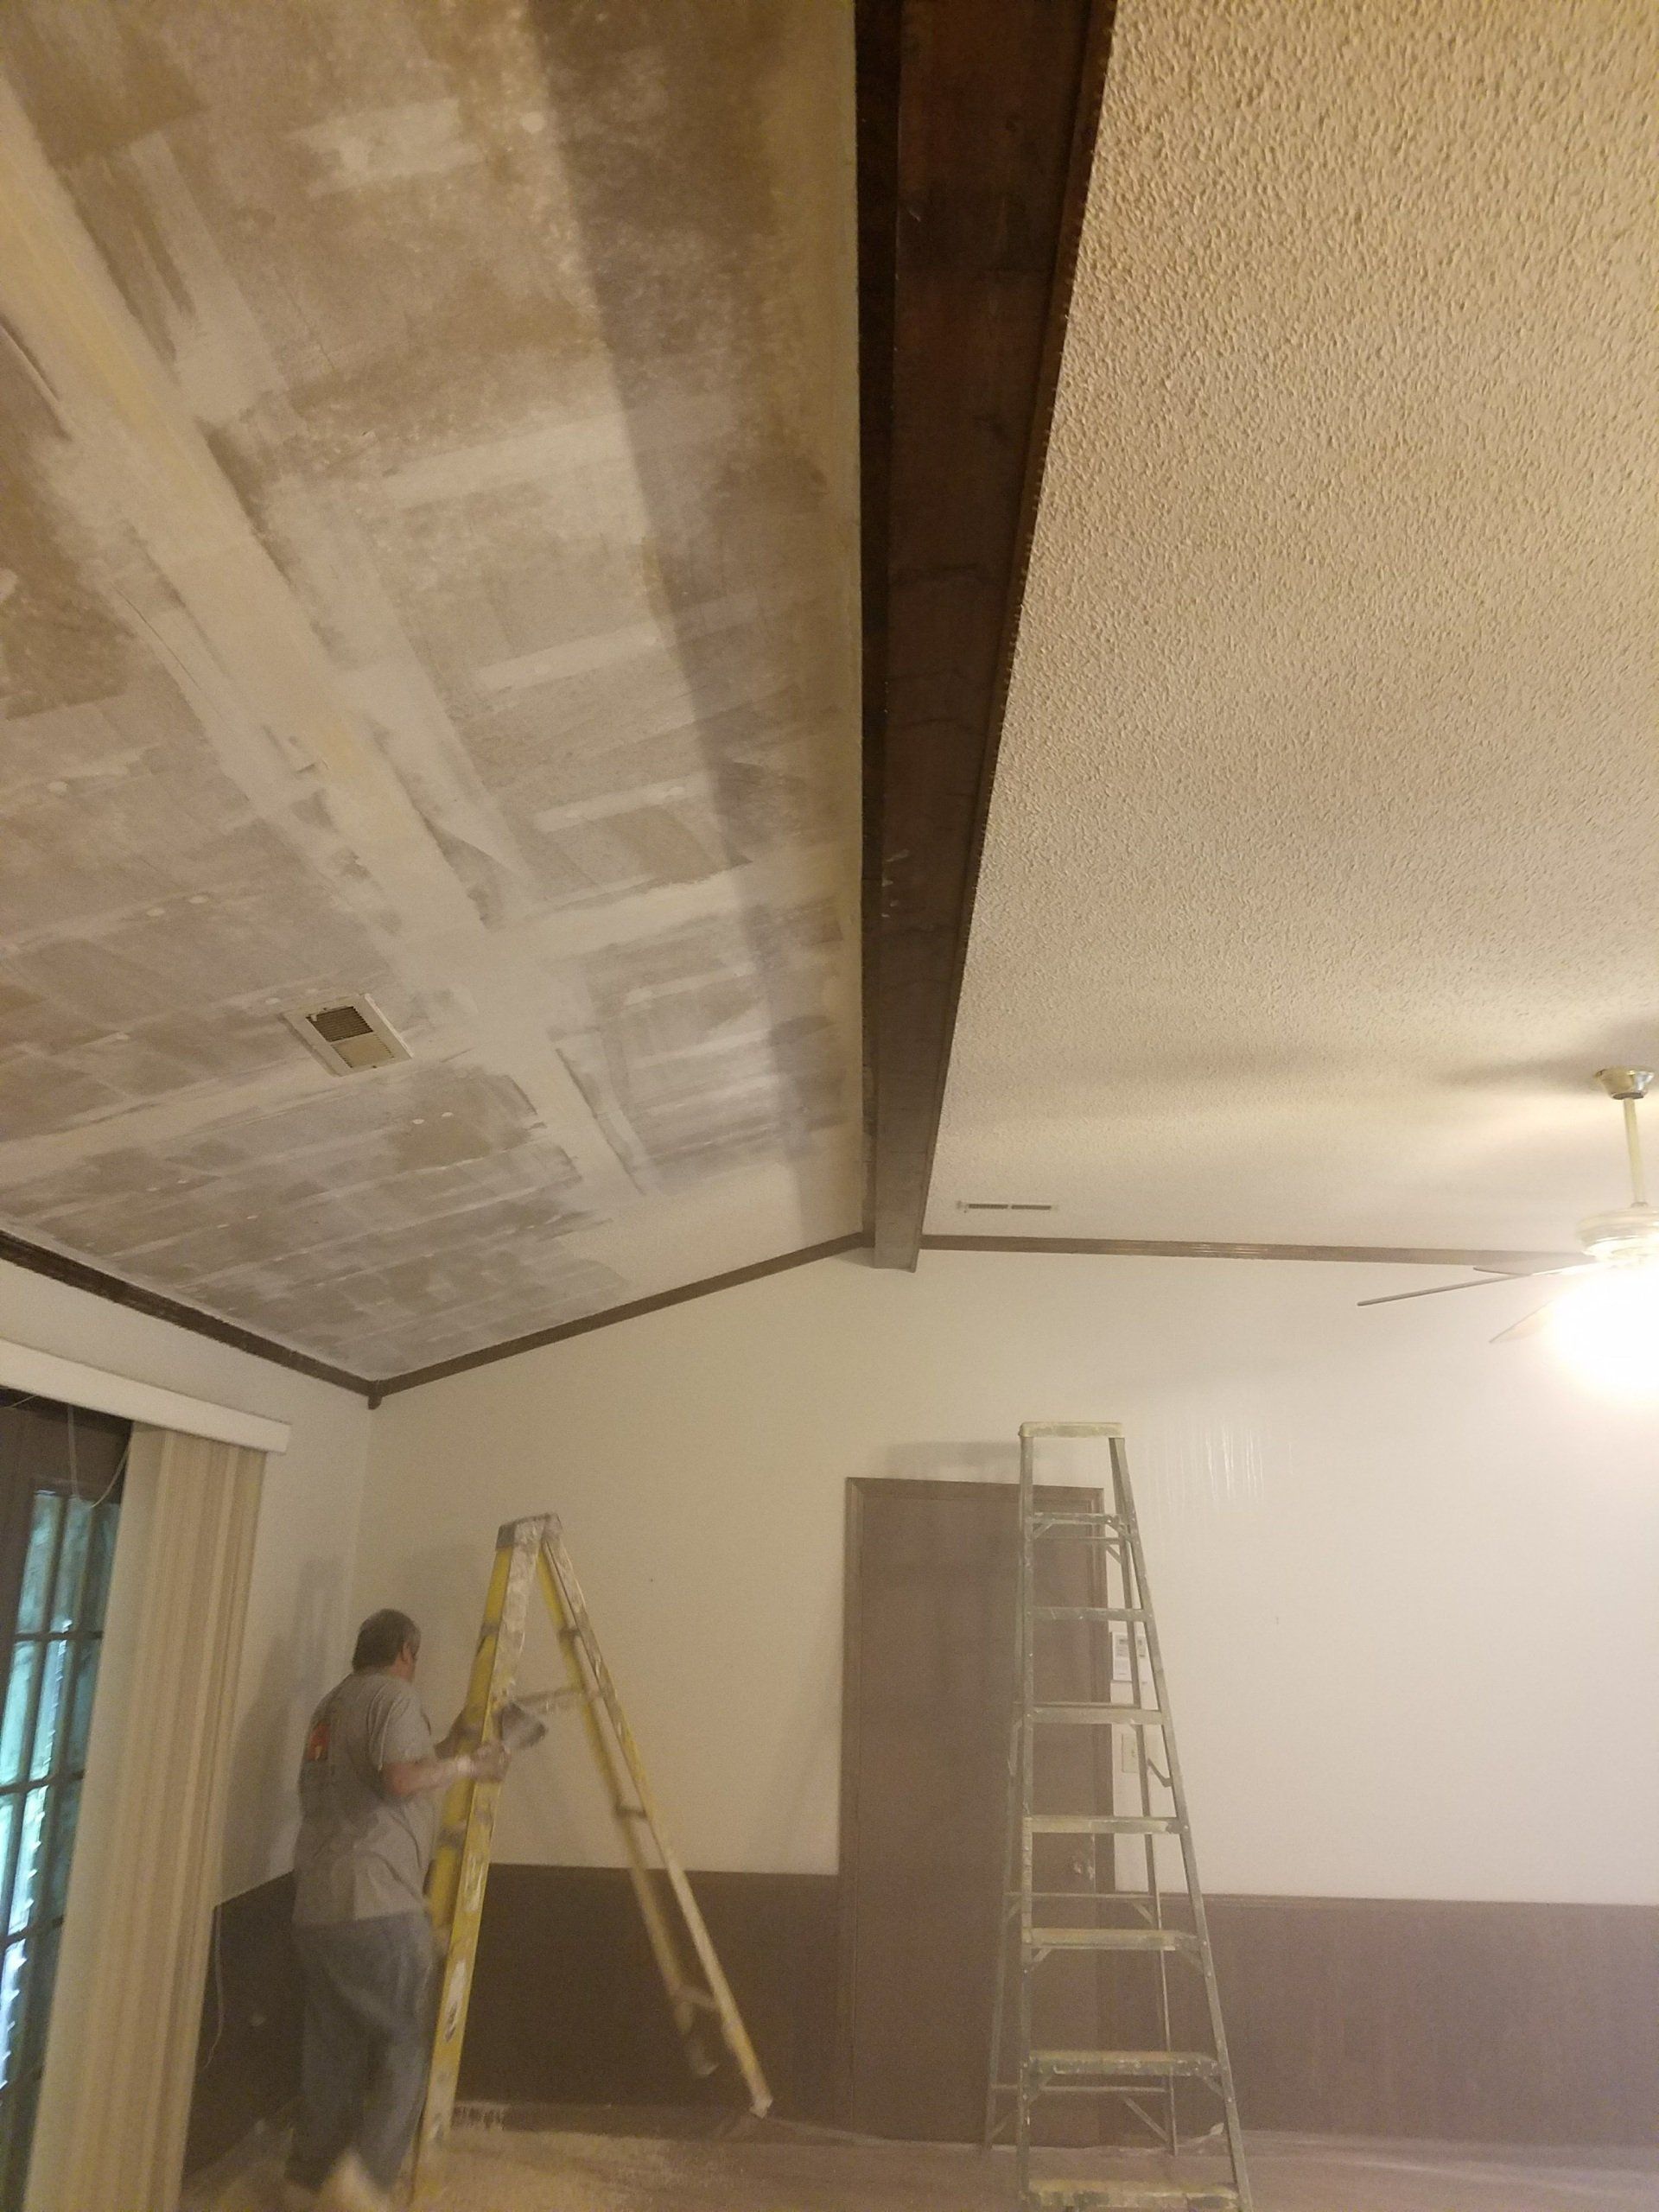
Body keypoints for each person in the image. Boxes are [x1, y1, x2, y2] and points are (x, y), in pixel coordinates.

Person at [283, 1608, 510, 2212]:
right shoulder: (396, 1696)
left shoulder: (333, 1705)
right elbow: (402, 1781)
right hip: (376, 1902)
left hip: (317, 1907)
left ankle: (305, 2184)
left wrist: (452, 1741)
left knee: (332, 2053)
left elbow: (396, 1766)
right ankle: (363, 2183)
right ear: (407, 1651)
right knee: (409, 2039)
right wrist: (471, 1765)